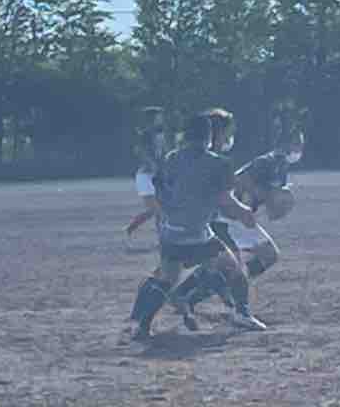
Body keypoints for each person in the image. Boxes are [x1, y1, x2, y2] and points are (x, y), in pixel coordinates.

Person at [127, 112, 266, 341]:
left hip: (171, 233)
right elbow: (225, 200)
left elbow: (160, 191)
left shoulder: (171, 158)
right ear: (209, 136)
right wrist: (244, 213)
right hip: (199, 235)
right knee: (234, 269)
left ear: (185, 135)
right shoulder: (218, 163)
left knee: (166, 279)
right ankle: (242, 313)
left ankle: (142, 326)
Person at [174, 124, 302, 312]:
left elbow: (271, 207)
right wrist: (262, 195)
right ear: (285, 144)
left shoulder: (281, 167)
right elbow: (239, 180)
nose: (300, 148)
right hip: (229, 215)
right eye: (297, 143)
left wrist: (277, 205)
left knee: (263, 256)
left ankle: (189, 294)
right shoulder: (266, 162)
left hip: (240, 218)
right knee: (241, 261)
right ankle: (198, 296)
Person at [124, 107, 167, 238]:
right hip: (146, 176)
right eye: (158, 116)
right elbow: (140, 152)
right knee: (157, 210)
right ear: (152, 119)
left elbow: (162, 154)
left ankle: (161, 237)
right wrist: (151, 163)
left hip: (158, 175)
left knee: (159, 210)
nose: (161, 119)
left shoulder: (160, 134)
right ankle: (132, 227)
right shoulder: (144, 135)